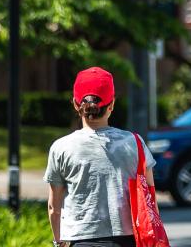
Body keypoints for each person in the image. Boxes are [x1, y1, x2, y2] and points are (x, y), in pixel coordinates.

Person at [46, 67, 155, 247]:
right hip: (126, 240)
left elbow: (53, 208)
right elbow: (150, 197)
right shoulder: (134, 143)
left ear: (75, 104)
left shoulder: (61, 148)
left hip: (80, 240)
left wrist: (59, 241)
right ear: (111, 105)